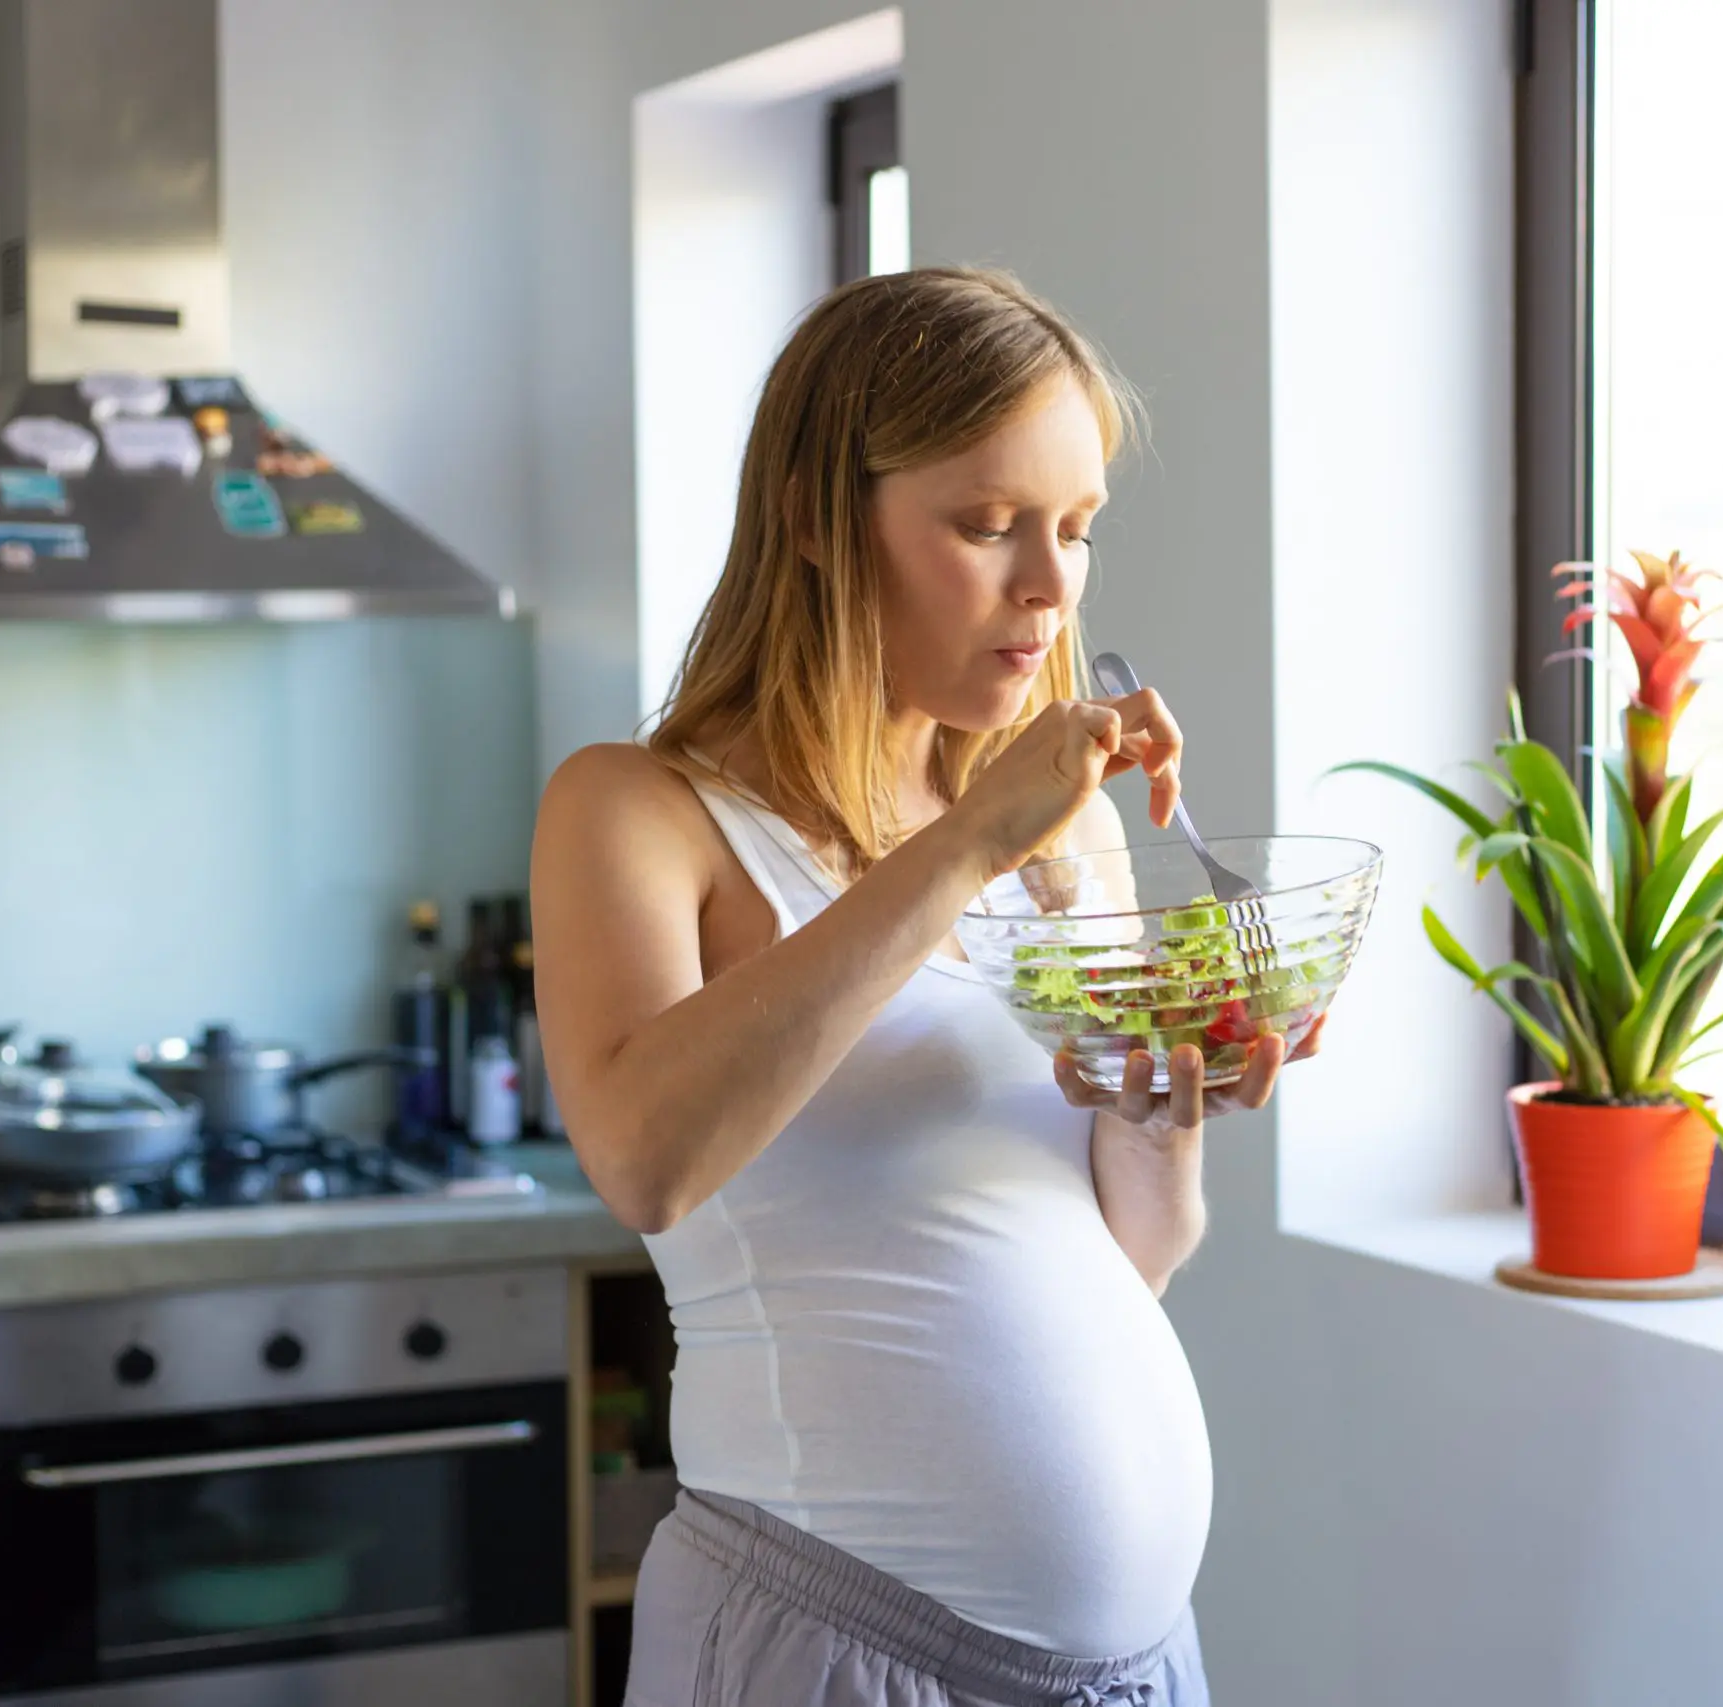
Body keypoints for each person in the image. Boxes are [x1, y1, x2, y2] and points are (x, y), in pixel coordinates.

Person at [531, 266, 1320, 1707]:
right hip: (827, 1641)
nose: (1049, 587)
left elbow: (1135, 1256)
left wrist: (1165, 1097)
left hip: (1136, 1667)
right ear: (816, 520)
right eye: (987, 523)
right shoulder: (638, 812)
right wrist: (965, 846)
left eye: (1076, 528)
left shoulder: (1063, 829)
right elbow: (644, 1160)